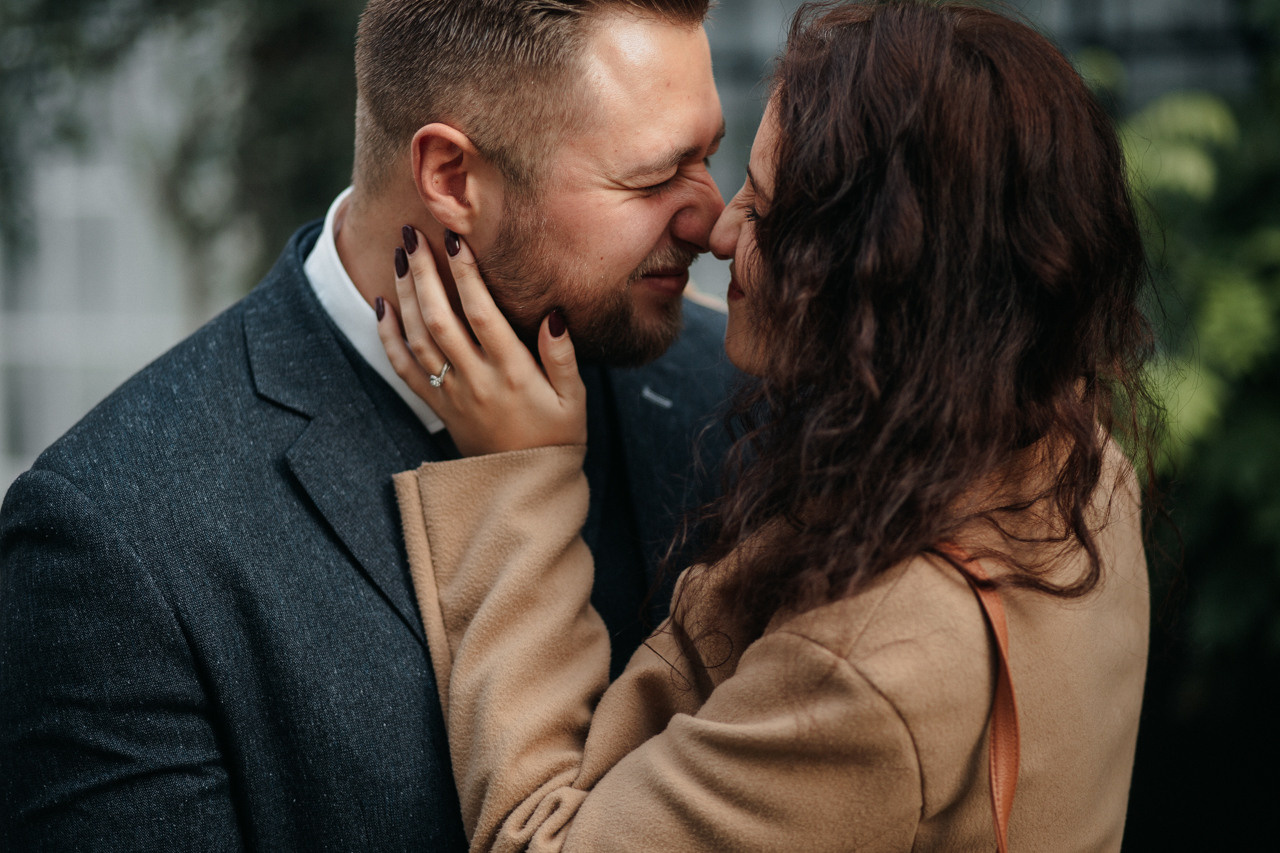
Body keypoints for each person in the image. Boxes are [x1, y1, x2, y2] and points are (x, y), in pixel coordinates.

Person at [382, 1, 1157, 850]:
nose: (717, 227)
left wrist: (520, 474)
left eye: (762, 208)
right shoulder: (1072, 457)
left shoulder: (868, 673)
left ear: (874, 276)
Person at [0, 1, 737, 848]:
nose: (710, 221)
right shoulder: (117, 535)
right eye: (652, 179)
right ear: (452, 177)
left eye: (708, 158)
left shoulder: (733, 390)